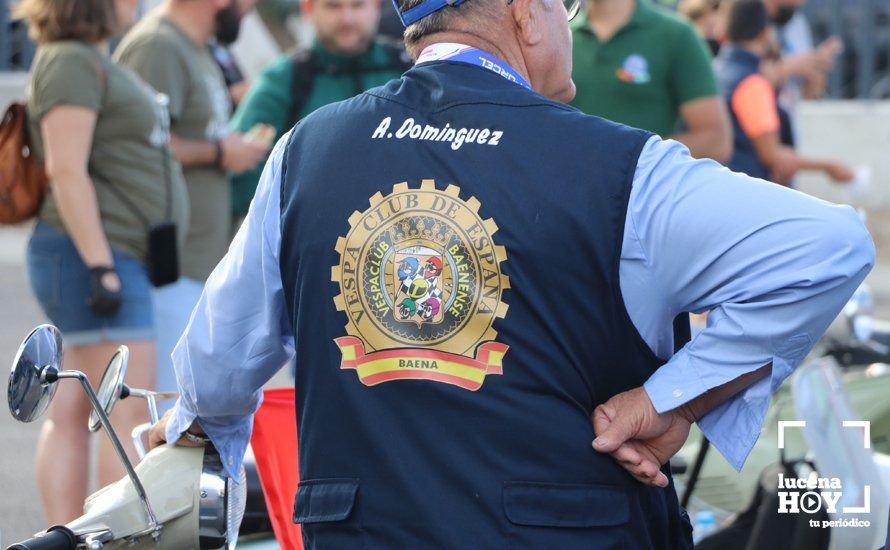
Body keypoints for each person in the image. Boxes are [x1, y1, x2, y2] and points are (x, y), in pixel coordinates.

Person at [149, 0, 873, 545]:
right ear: (527, 14)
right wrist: (672, 401)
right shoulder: (623, 168)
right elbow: (830, 248)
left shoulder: (304, 154)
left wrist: (190, 433)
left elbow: (215, 371)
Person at [18, 0, 188, 524]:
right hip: (94, 254)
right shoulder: (69, 59)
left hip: (103, 253)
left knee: (78, 409)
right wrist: (101, 267)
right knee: (121, 413)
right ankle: (110, 535)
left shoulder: (88, 57)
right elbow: (67, 171)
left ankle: (74, 534)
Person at [114, 0, 269, 408]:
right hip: (167, 267)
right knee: (160, 412)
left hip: (197, 264)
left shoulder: (197, 46)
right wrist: (220, 153)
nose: (251, 7)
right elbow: (135, 146)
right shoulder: (157, 46)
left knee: (185, 411)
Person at [228, 0, 412, 222]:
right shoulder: (284, 78)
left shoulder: (409, 69)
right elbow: (240, 175)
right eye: (333, 6)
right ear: (308, 9)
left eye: (357, 5)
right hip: (316, 233)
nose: (347, 19)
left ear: (376, 7)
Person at [571, 0, 732, 162]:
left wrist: (627, 160)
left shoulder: (675, 35)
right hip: (567, 180)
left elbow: (715, 141)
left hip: (638, 184)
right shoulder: (562, 34)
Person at [716, 0, 851, 185]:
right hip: (747, 192)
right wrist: (830, 166)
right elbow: (771, 156)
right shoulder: (753, 83)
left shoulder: (717, 69)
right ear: (765, 34)